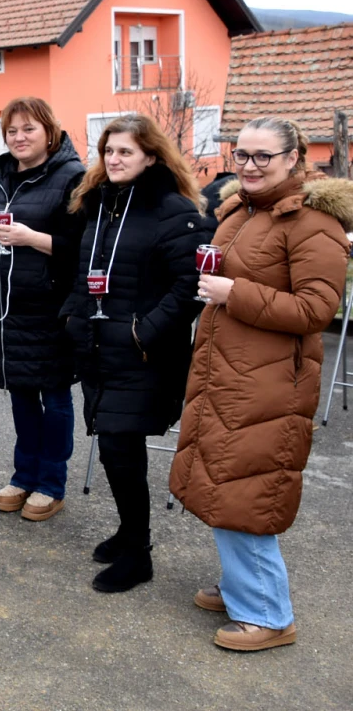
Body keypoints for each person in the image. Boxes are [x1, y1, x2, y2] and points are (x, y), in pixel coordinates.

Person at [171, 118, 353, 651]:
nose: (249, 166)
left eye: (263, 157)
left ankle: (270, 616)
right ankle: (241, 589)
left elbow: (318, 309)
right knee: (224, 481)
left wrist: (235, 292)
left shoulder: (313, 221)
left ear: (293, 158)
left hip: (271, 380)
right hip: (228, 370)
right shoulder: (240, 210)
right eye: (241, 155)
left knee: (249, 490)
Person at [60, 113, 209, 593]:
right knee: (111, 448)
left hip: (142, 354)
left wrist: (143, 333)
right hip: (98, 348)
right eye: (108, 151)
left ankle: (139, 555)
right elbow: (84, 269)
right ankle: (128, 533)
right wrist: (74, 315)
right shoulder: (100, 203)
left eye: (125, 151)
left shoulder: (172, 209)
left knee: (121, 449)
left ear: (150, 155)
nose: (115, 159)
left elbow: (189, 288)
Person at [0, 98, 86, 521]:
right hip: (6, 305)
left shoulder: (73, 177)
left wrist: (31, 237)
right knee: (21, 393)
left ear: (50, 132)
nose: (19, 138)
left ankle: (51, 483)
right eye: (12, 131)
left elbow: (80, 249)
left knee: (55, 397)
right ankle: (24, 475)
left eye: (29, 129)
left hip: (50, 306)